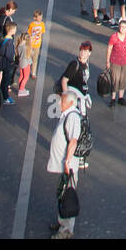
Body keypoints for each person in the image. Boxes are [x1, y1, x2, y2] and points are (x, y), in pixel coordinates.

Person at [47, 90, 81, 240]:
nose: (60, 103)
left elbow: (73, 141)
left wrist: (67, 161)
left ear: (71, 103)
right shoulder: (68, 114)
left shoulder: (73, 117)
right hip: (65, 164)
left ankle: (66, 230)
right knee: (62, 194)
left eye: (63, 101)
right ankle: (62, 222)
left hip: (68, 165)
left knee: (68, 196)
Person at [106, 17, 126, 107]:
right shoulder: (114, 37)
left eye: (124, 27)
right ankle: (113, 98)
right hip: (115, 61)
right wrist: (107, 61)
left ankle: (120, 98)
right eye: (121, 27)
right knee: (115, 79)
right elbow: (109, 49)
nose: (122, 29)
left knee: (123, 79)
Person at [0, 19, 17, 105]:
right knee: (6, 81)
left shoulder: (4, 39)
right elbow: (9, 54)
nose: (16, 30)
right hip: (8, 64)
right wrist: (12, 60)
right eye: (15, 29)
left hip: (3, 63)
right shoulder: (9, 41)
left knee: (3, 81)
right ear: (12, 30)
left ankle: (2, 95)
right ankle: (5, 98)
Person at [28, 9, 46, 78]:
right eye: (39, 17)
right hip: (31, 44)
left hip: (37, 44)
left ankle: (33, 72)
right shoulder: (31, 25)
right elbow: (29, 33)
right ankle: (28, 70)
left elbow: (42, 32)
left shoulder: (42, 24)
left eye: (41, 17)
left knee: (35, 59)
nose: (41, 18)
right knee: (29, 58)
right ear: (35, 18)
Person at [16, 28, 32, 96]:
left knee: (22, 76)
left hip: (21, 63)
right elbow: (31, 53)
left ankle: (21, 87)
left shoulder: (19, 45)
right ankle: (21, 89)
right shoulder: (26, 47)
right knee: (26, 77)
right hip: (26, 64)